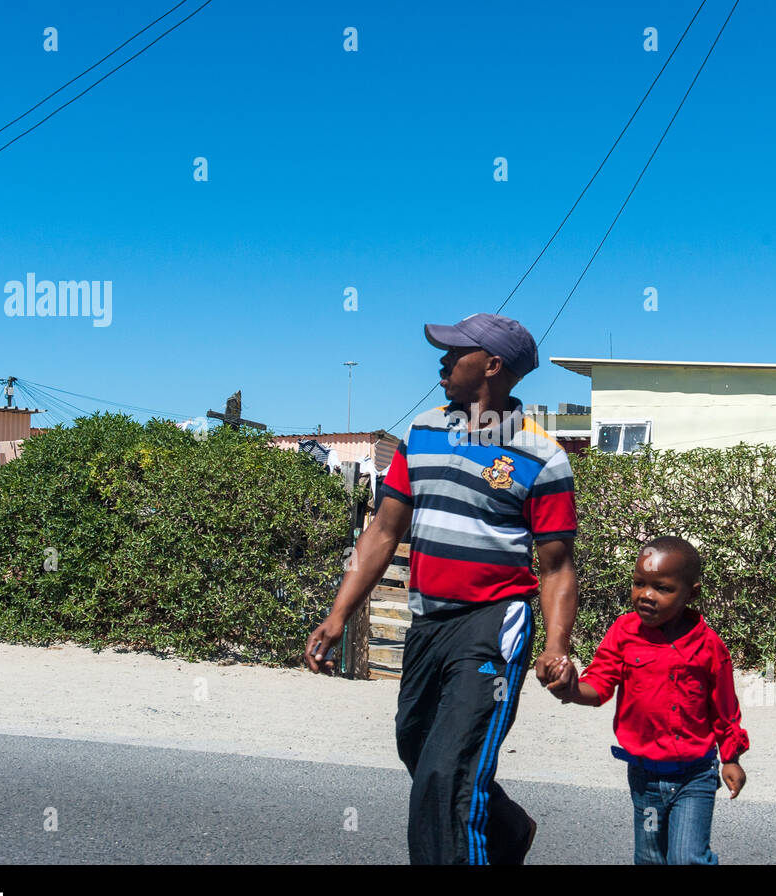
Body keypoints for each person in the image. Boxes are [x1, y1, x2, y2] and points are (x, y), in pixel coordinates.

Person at [306, 312, 578, 865]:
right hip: (429, 625)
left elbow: (556, 567)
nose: (443, 360)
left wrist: (556, 645)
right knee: (417, 745)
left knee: (448, 774)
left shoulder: (541, 455)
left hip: (494, 624)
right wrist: (338, 616)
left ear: (493, 366)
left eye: (456, 352)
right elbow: (383, 531)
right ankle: (505, 828)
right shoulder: (424, 430)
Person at [548, 536, 749, 865]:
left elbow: (725, 709)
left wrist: (731, 757)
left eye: (663, 588)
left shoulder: (709, 646)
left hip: (694, 776)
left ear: (691, 593)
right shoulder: (624, 633)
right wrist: (570, 689)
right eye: (639, 584)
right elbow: (598, 686)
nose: (646, 596)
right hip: (645, 779)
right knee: (650, 858)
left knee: (688, 858)